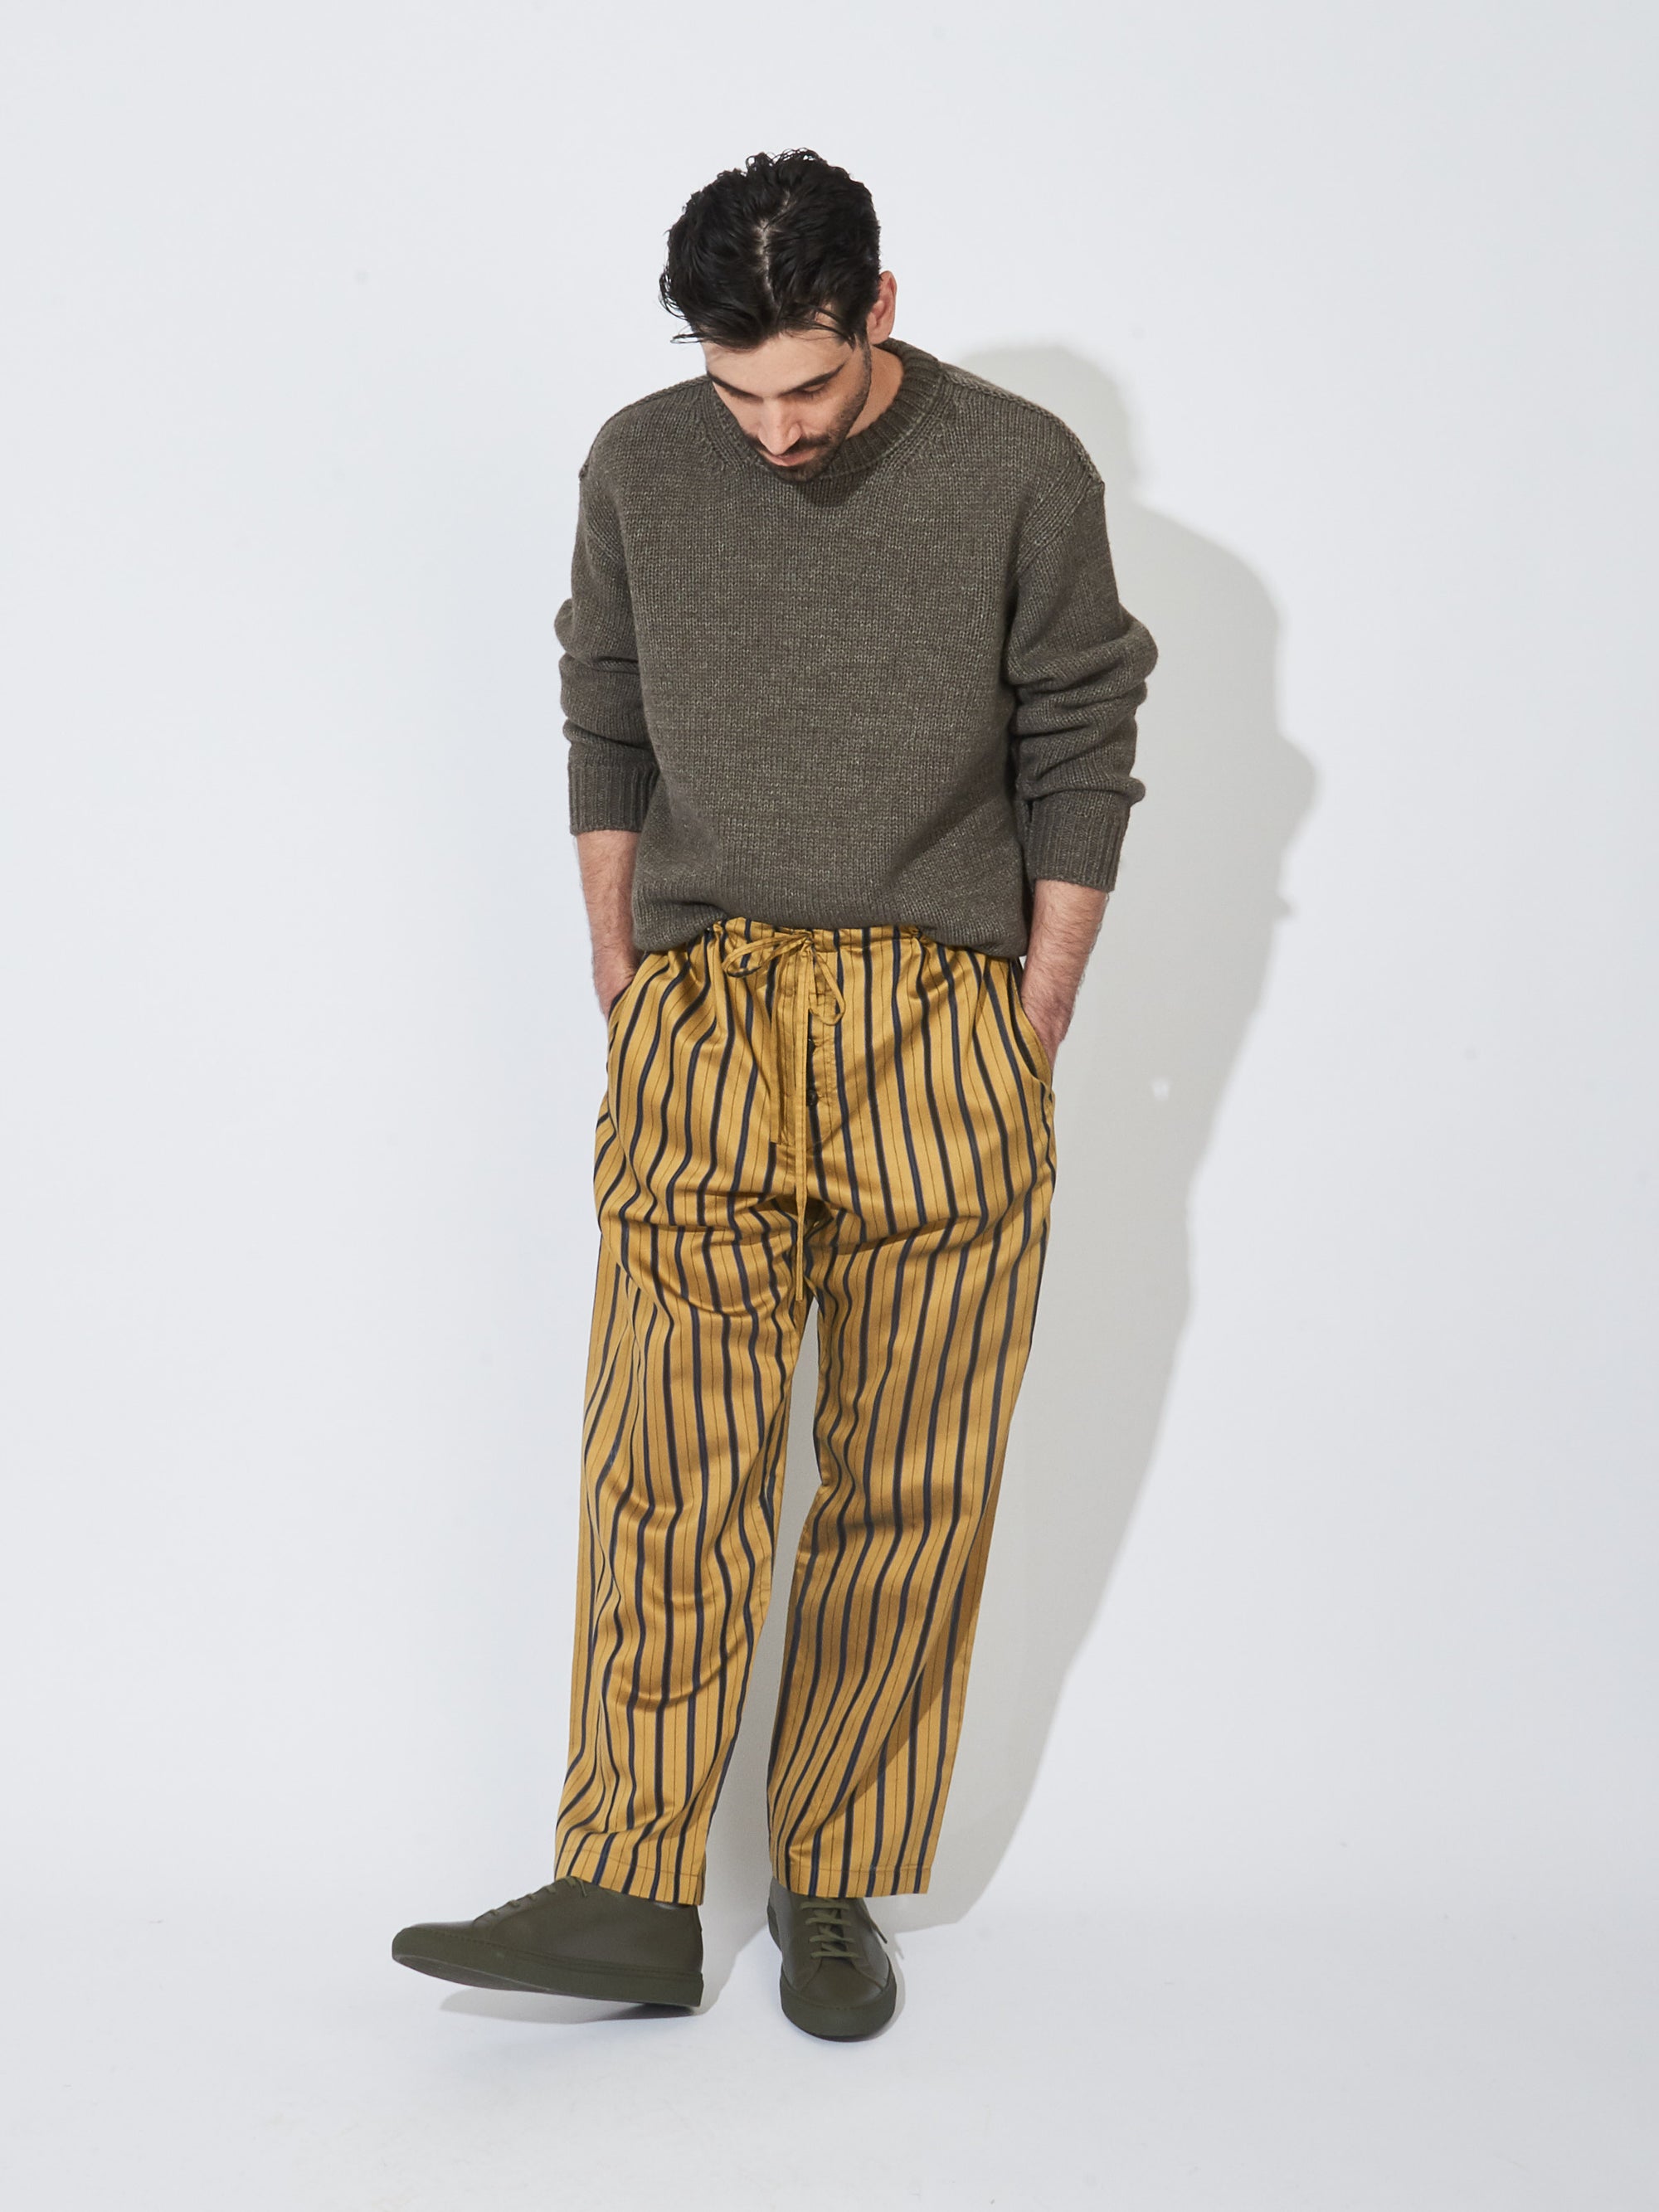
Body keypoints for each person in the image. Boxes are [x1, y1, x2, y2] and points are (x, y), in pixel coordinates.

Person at [392, 148, 1157, 2041]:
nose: (779, 430)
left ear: (879, 306)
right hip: (707, 1011)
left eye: (808, 384)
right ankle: (627, 1889)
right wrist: (621, 965)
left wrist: (1034, 1007)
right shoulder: (641, 463)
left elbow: (1083, 731)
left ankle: (833, 1879)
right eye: (740, 391)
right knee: (668, 1471)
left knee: (911, 1480)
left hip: (937, 1018)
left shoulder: (1019, 467)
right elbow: (605, 705)